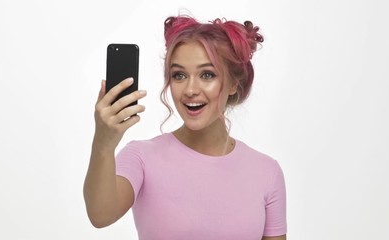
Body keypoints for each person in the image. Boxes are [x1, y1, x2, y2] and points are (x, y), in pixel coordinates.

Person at [84, 14, 287, 240]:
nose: (190, 89)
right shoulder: (140, 157)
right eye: (179, 75)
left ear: (233, 84)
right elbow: (100, 215)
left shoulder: (267, 172)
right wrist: (103, 143)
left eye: (207, 74)